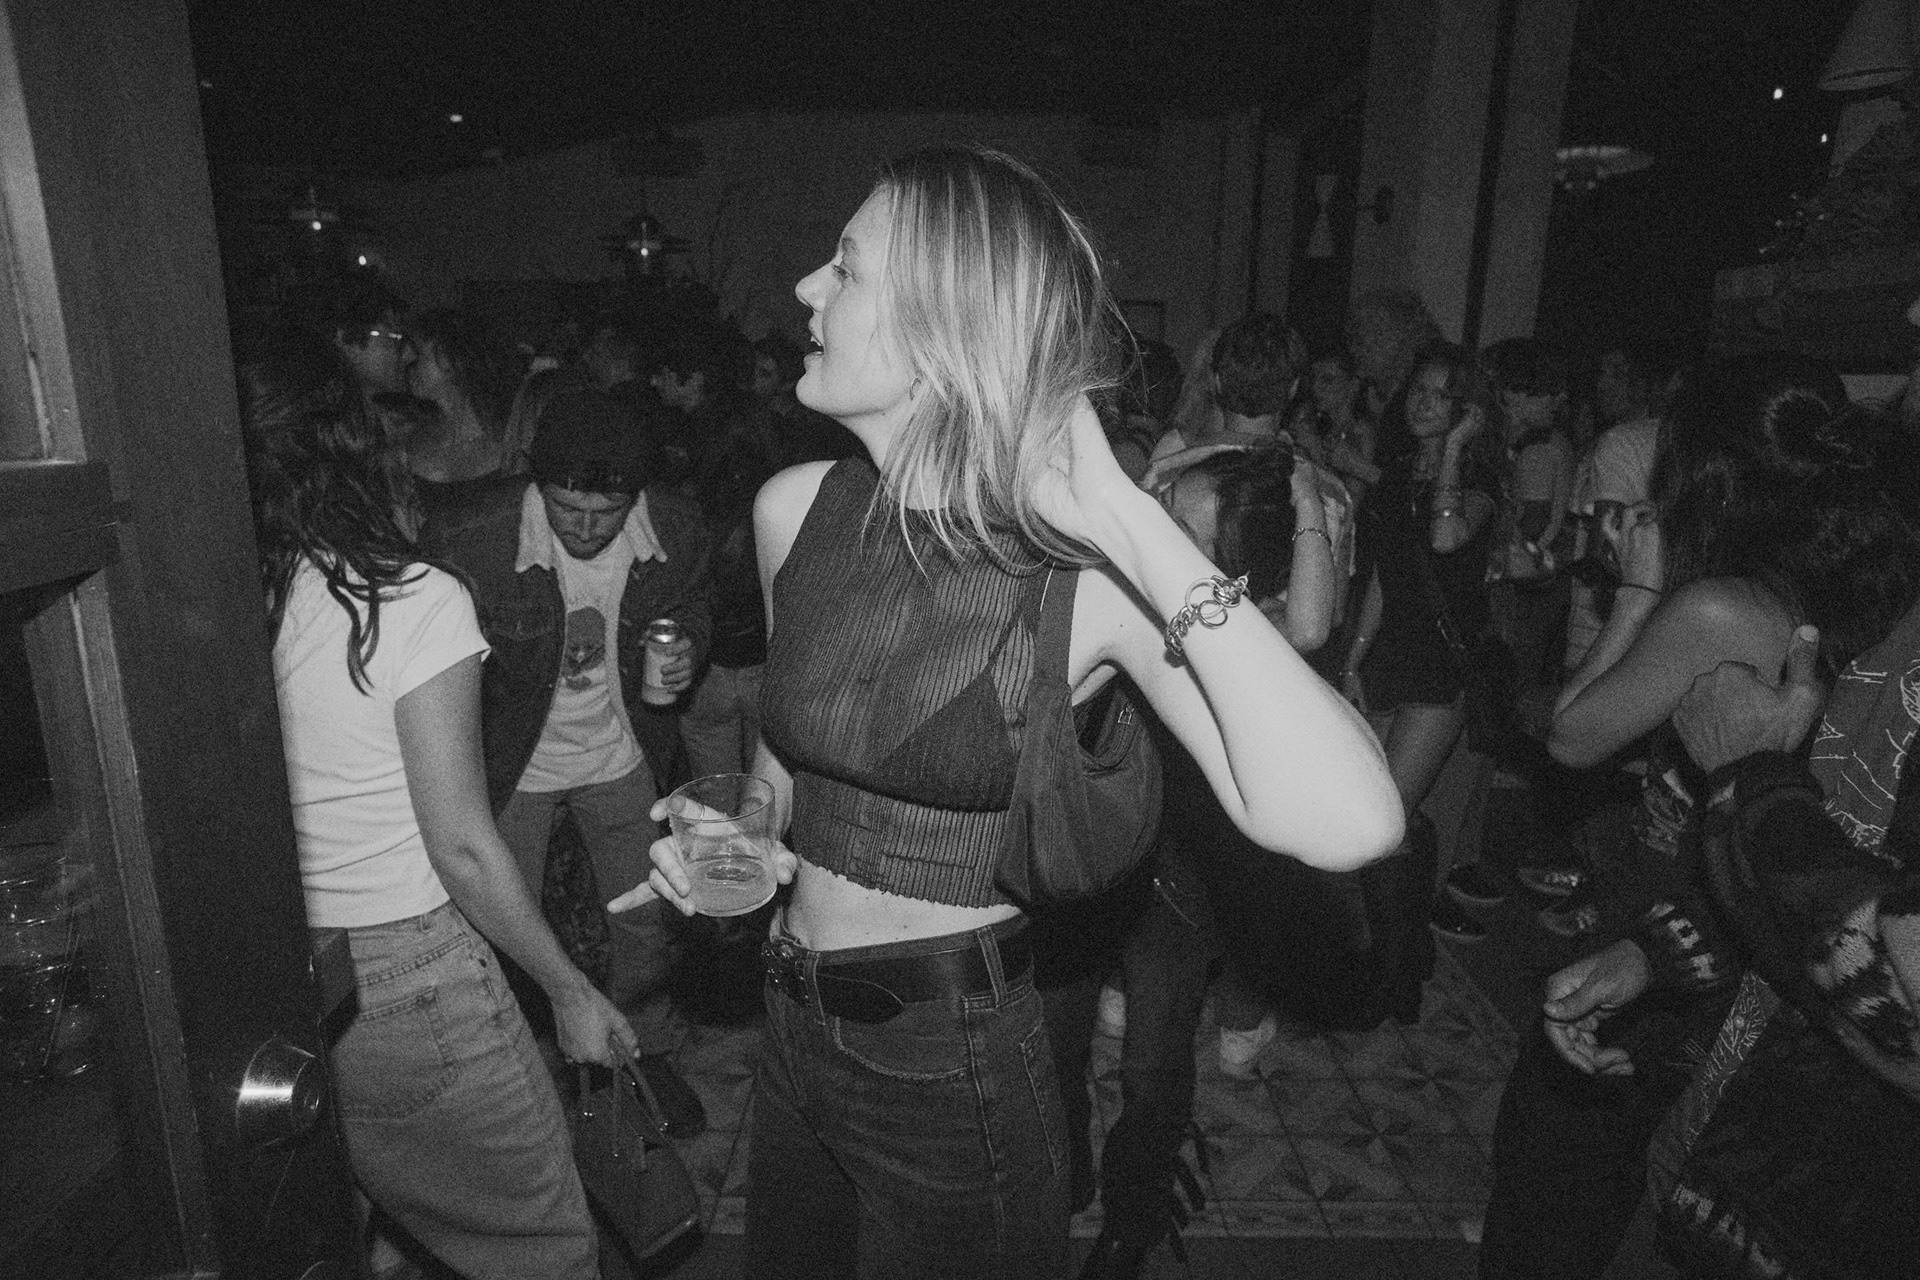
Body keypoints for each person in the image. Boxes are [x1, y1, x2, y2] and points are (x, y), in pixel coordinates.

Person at [613, 145, 1402, 1279]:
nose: (805, 289)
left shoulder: (1080, 574)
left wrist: (1127, 519)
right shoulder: (796, 508)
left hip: (950, 1057)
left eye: (846, 267)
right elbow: (791, 759)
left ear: (949, 322)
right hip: (789, 1027)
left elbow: (1354, 819)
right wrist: (748, 831)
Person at [1478, 357, 1920, 1280]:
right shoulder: (1861, 584)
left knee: (1555, 1162)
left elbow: (1570, 735)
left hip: (1695, 908)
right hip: (1744, 941)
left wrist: (1641, 589)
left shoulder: (1725, 605)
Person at [242, 335, 631, 1280]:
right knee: (545, 1249)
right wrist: (570, 990)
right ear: (359, 453)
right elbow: (460, 845)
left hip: (284, 966)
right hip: (408, 977)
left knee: (376, 1237)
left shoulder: (242, 595)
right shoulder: (411, 600)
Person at [420, 387, 715, 1137]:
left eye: (605, 512)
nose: (584, 528)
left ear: (636, 496)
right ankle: (527, 1065)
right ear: (534, 483)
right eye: (564, 507)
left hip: (620, 758)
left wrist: (687, 648)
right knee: (500, 929)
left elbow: (694, 609)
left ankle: (643, 1051)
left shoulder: (676, 527)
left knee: (648, 919)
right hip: (510, 766)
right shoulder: (472, 540)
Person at [1335, 342, 1503, 969]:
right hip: (1389, 656)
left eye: (1443, 396)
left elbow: (1445, 536)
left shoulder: (1479, 486)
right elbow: (1384, 573)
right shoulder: (1398, 473)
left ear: (1467, 412)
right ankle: (1380, 949)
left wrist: (1454, 451)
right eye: (1419, 391)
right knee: (1358, 807)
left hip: (1440, 667)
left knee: (1381, 817)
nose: (1424, 405)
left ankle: (1390, 960)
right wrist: (1353, 658)